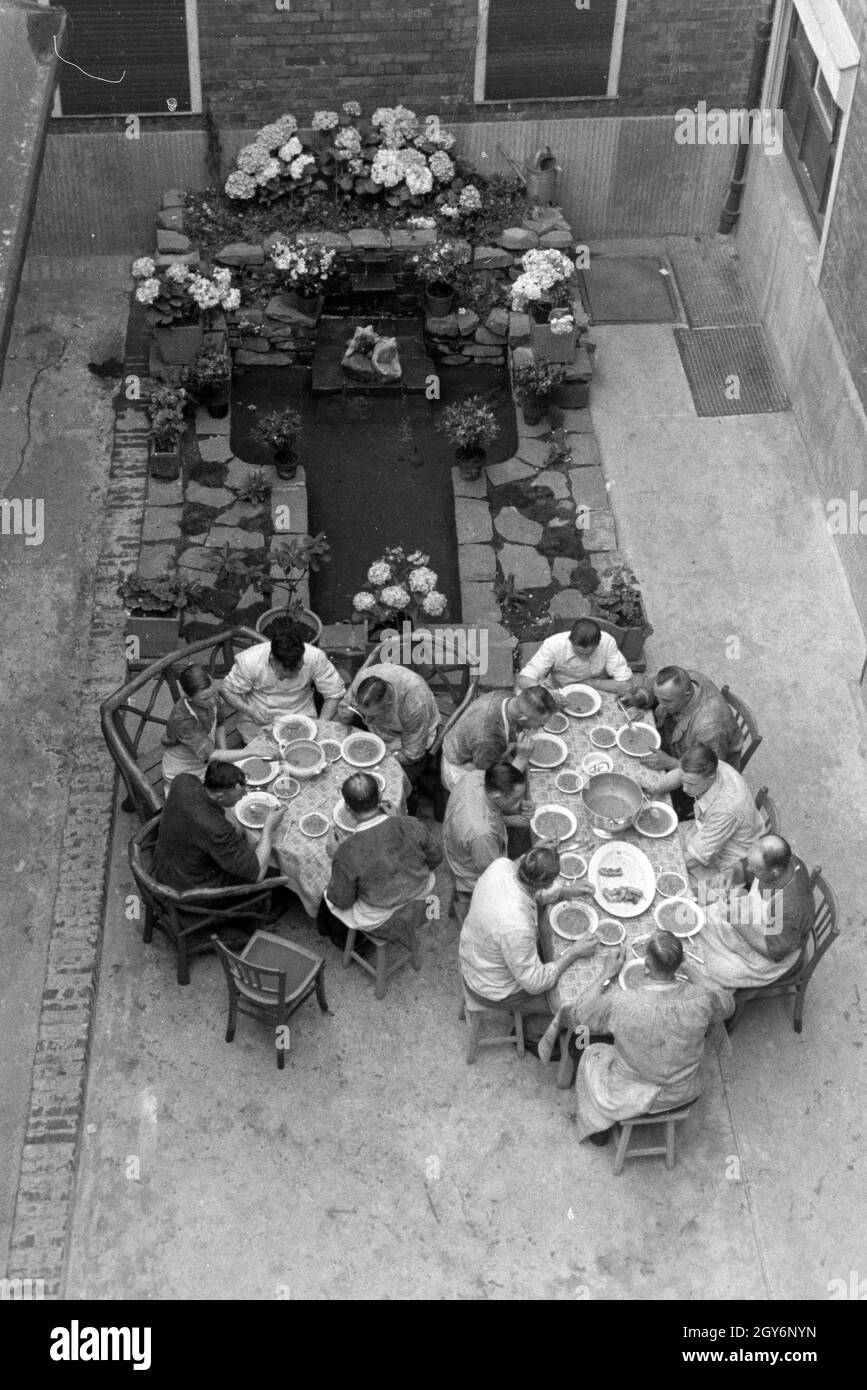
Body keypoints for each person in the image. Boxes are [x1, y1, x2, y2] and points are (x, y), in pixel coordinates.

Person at [538, 931, 734, 1144]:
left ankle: (598, 1123)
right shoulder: (702, 998)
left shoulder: (622, 1002)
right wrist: (685, 966)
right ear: (677, 964)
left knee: (581, 1038)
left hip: (631, 1090)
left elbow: (579, 1014)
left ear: (646, 966)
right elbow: (726, 1003)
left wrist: (606, 973)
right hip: (684, 1092)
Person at [458, 847, 597, 1024]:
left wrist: (566, 891)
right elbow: (535, 983)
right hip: (490, 986)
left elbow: (528, 889)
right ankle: (533, 1033)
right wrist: (573, 953)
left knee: (545, 954)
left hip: (474, 952)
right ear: (547, 884)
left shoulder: (501, 865)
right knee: (571, 1005)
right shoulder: (517, 927)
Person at [683, 835, 813, 990]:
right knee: (697, 917)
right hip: (753, 917)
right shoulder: (784, 861)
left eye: (755, 868)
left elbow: (774, 953)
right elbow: (745, 866)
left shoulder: (791, 907)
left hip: (770, 954)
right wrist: (731, 872)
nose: (750, 869)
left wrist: (736, 921)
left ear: (775, 872)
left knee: (710, 969)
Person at [323, 772, 443, 934]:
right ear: (380, 796)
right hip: (424, 899)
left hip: (385, 921)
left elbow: (342, 901)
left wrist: (336, 856)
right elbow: (436, 858)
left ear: (347, 808)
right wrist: (401, 821)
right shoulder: (411, 823)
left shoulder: (346, 852)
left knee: (329, 893)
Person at [622, 664, 742, 818]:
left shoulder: (710, 729)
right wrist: (641, 696)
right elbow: (653, 684)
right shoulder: (687, 678)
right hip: (675, 744)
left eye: (667, 701)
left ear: (687, 695)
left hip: (703, 772)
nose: (661, 706)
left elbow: (709, 772)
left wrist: (670, 762)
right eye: (659, 699)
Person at [154, 762, 283, 893]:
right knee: (273, 871)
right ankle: (260, 905)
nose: (244, 796)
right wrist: (268, 827)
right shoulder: (217, 830)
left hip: (166, 860)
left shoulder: (183, 780)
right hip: (188, 885)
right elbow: (258, 874)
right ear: (220, 797)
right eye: (239, 794)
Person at [221, 628, 345, 742]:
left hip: (302, 710)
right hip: (259, 714)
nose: (290, 677)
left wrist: (321, 724)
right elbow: (228, 691)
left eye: (297, 670)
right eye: (283, 673)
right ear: (272, 658)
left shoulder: (315, 657)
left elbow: (334, 694)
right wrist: (249, 710)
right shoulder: (249, 661)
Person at [443, 761, 531, 918]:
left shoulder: (476, 777)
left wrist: (512, 817)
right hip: (471, 871)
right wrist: (528, 857)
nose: (521, 803)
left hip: (458, 840)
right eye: (516, 799)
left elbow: (486, 811)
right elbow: (494, 873)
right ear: (497, 795)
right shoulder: (482, 835)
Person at [441, 686, 557, 792]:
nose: (539, 728)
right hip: (462, 767)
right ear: (523, 717)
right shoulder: (488, 738)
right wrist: (521, 758)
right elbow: (495, 779)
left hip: (480, 752)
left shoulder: (510, 698)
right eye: (540, 724)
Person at [337, 665, 440, 784]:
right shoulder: (363, 679)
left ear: (389, 705)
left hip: (412, 733)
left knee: (385, 780)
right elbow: (345, 709)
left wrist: (377, 759)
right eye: (364, 714)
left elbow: (412, 754)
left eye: (373, 716)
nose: (367, 721)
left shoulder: (414, 704)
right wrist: (347, 713)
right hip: (383, 727)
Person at [678, 744, 764, 887]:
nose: (684, 788)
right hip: (705, 829)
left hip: (727, 863)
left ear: (711, 778)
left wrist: (669, 867)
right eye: (683, 780)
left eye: (692, 784)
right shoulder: (711, 765)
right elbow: (682, 774)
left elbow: (696, 857)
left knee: (681, 889)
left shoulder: (727, 808)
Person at [160, 666, 251, 792]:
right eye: (205, 698)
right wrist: (252, 752)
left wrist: (224, 757)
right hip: (184, 770)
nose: (213, 701)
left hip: (208, 761)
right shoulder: (182, 719)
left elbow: (219, 725)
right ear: (189, 697)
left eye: (213, 693)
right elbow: (211, 755)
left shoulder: (211, 696)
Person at [516, 618, 632, 695]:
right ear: (570, 641)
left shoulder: (607, 642)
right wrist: (548, 694)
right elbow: (523, 679)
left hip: (598, 690)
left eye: (588, 654)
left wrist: (591, 684)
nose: (583, 657)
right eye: (579, 653)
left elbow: (626, 685)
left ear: (597, 645)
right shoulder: (553, 645)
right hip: (558, 691)